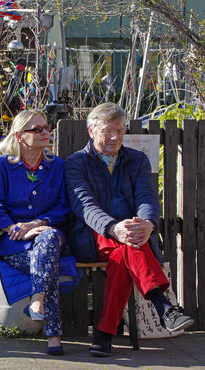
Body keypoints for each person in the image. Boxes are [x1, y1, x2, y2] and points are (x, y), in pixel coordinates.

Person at [65, 102, 194, 357]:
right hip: (92, 235)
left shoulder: (137, 159)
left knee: (123, 256)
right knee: (128, 244)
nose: (115, 137)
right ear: (91, 130)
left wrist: (147, 224)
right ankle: (164, 306)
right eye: (108, 131)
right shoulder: (76, 163)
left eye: (120, 131)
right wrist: (113, 227)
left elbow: (147, 198)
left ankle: (104, 336)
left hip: (131, 236)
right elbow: (85, 206)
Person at [0, 109, 72, 355]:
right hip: (13, 241)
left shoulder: (57, 166)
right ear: (19, 136)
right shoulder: (2, 166)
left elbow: (63, 207)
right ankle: (53, 336)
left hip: (48, 233)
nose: (45, 132)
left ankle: (37, 300)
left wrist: (36, 224)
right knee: (47, 265)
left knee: (49, 239)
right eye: (37, 129)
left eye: (46, 128)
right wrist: (15, 228)